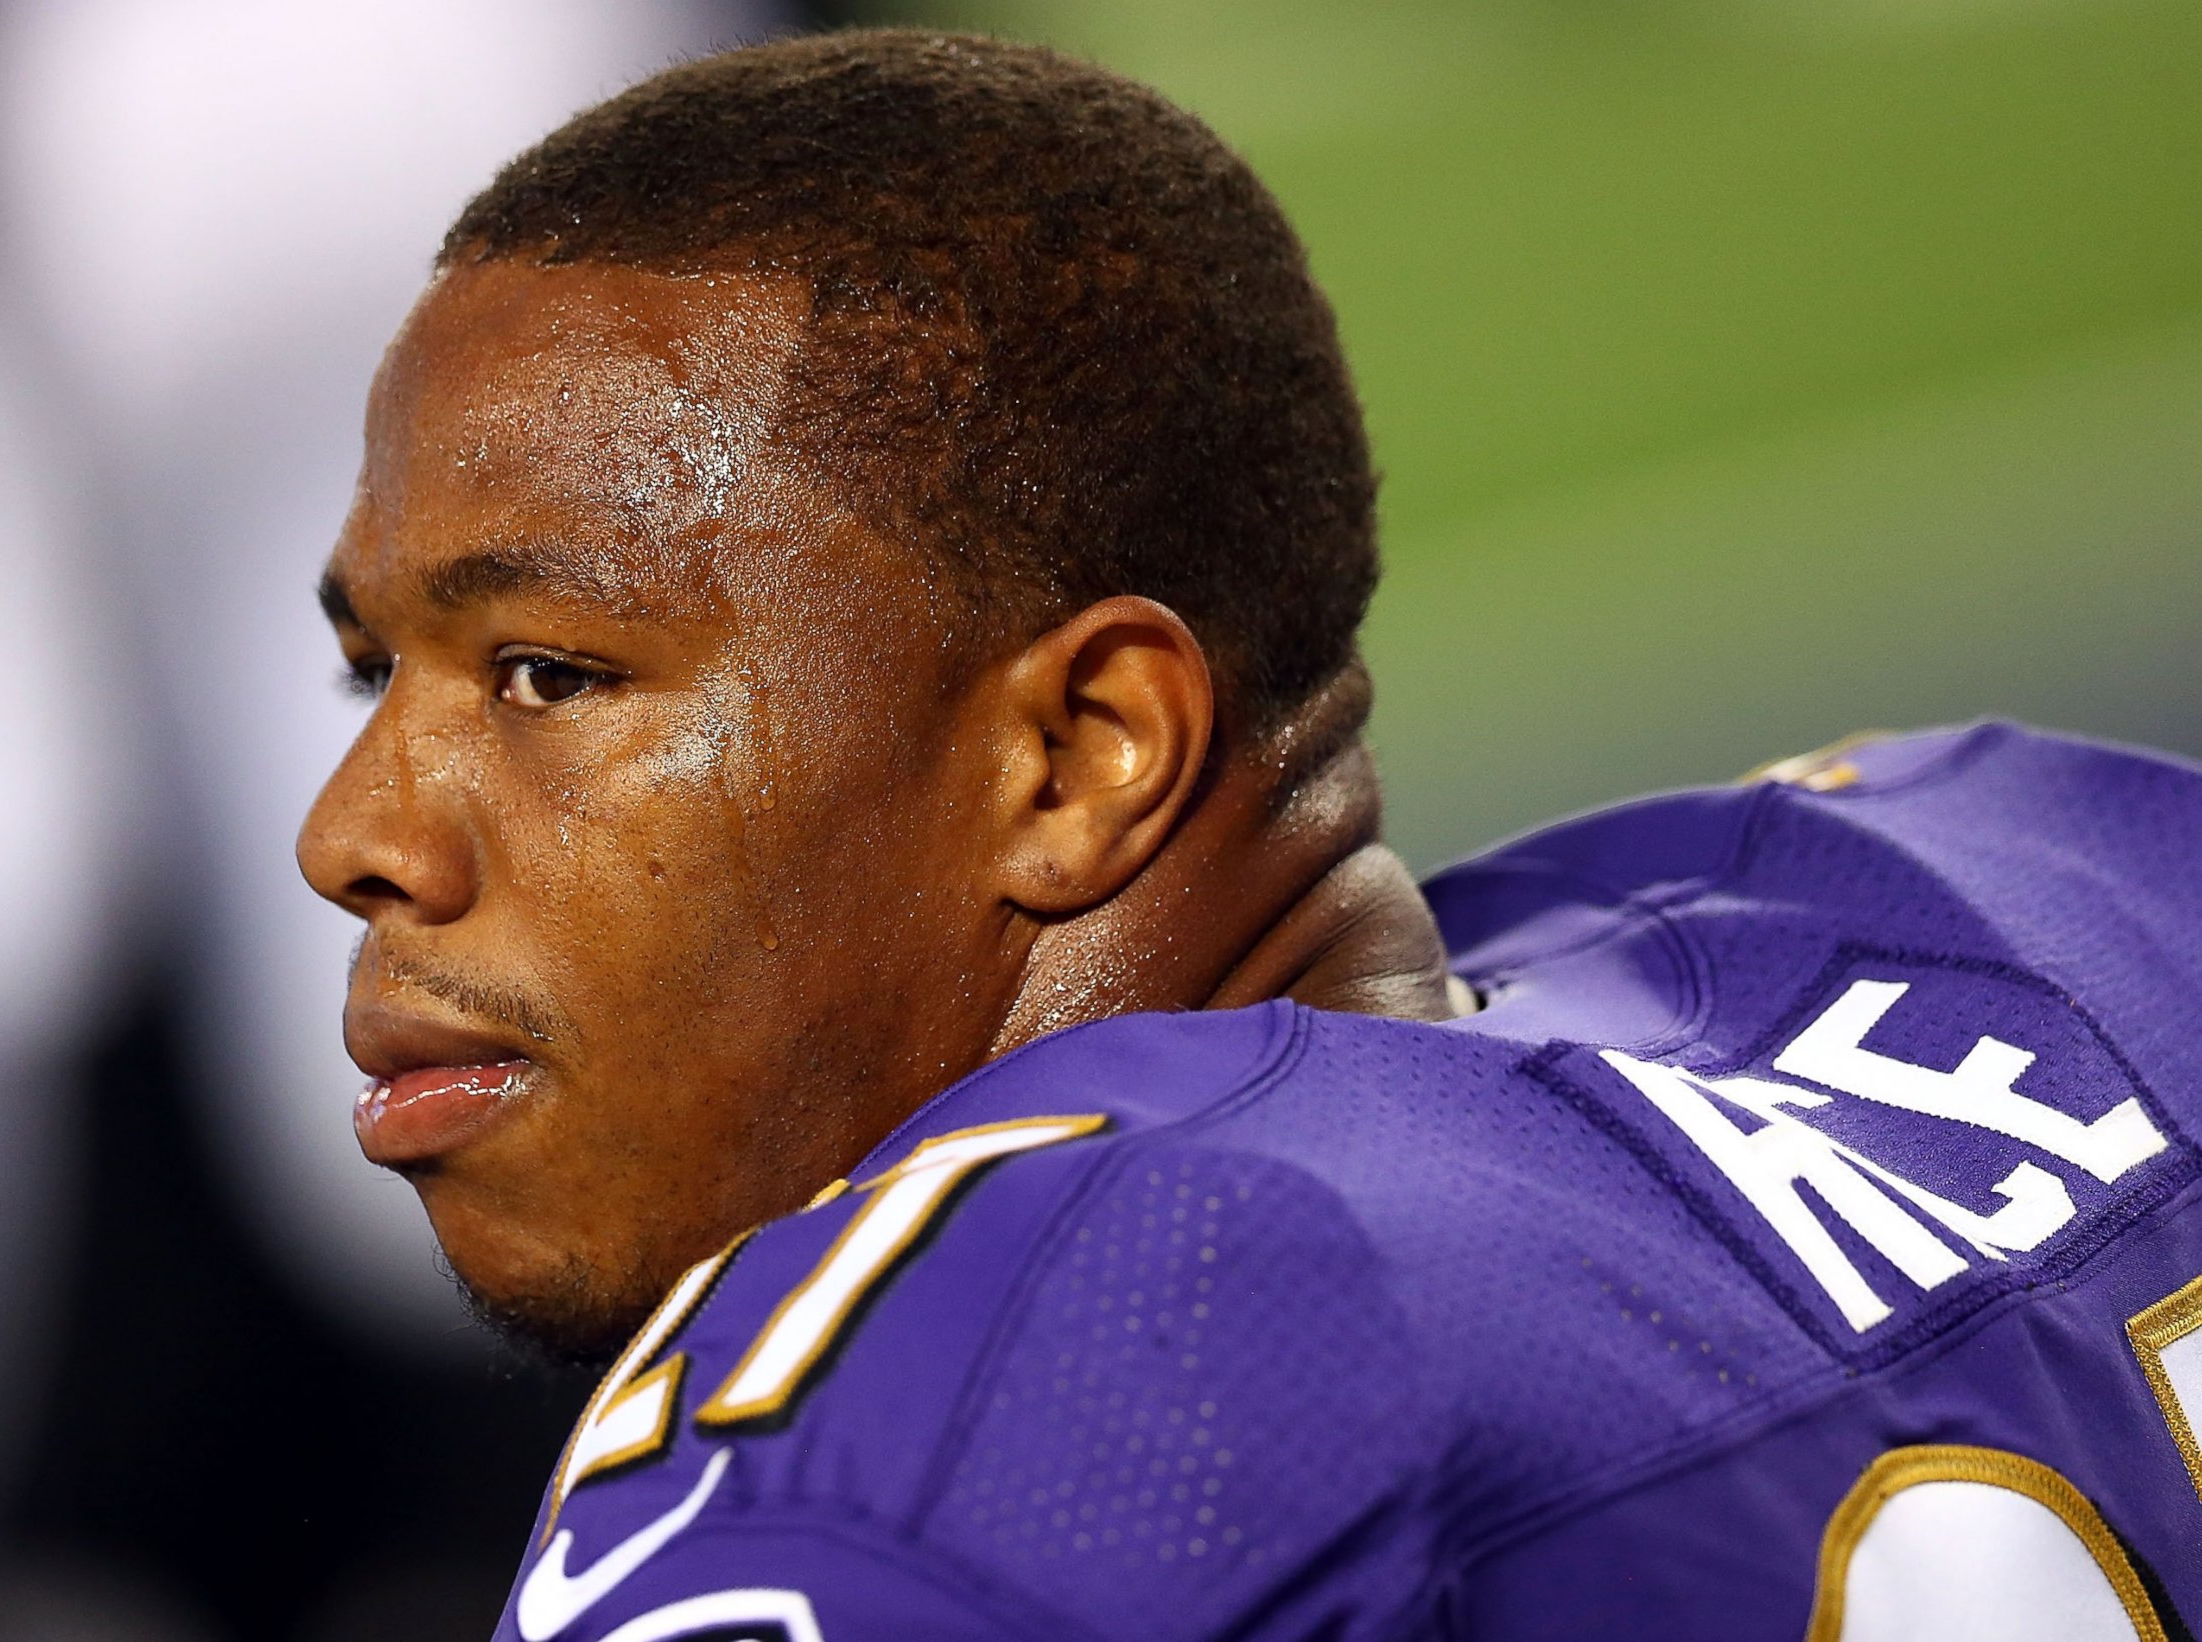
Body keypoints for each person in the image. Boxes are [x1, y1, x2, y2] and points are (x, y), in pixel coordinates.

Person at [297, 30, 2202, 1641]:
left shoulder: (1011, 1381)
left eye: (546, 674)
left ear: (1085, 752)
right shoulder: (2054, 880)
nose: (352, 835)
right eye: (373, 670)